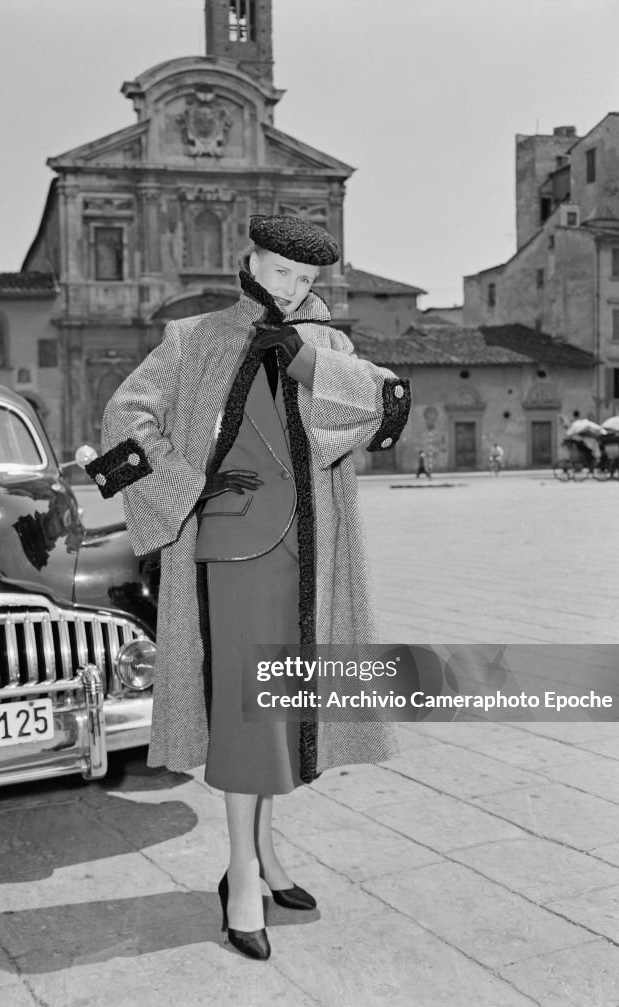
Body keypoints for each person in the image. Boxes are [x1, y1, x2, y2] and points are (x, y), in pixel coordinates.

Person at [86, 214, 411, 960]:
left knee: (283, 712)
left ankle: (264, 857)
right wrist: (187, 484)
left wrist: (304, 359)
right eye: (281, 272)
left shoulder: (328, 345)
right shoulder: (193, 338)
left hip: (310, 554)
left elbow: (382, 407)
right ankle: (239, 880)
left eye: (305, 279)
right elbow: (123, 416)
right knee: (246, 716)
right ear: (251, 262)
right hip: (231, 553)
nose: (291, 289)